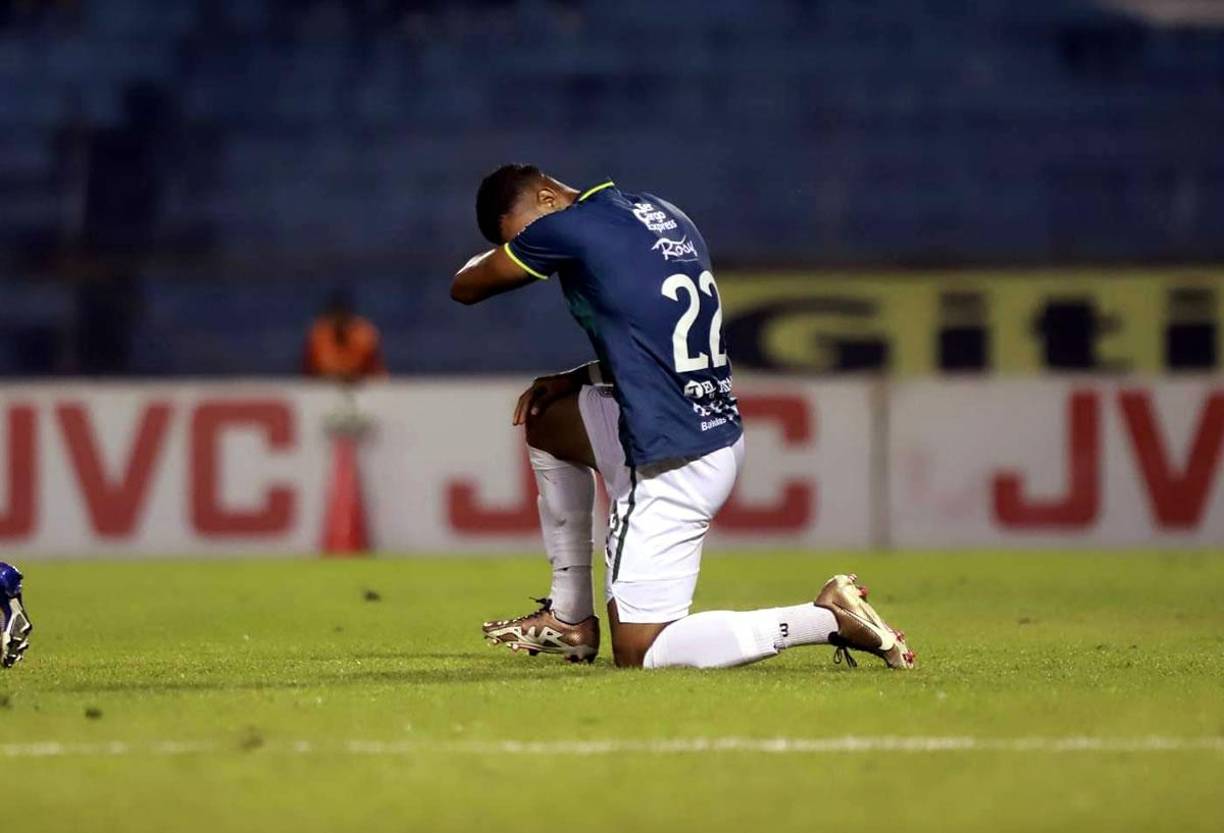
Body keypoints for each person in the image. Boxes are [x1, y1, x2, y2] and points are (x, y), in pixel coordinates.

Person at [451, 165, 915, 670]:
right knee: (547, 422)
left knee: (641, 650)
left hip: (672, 455)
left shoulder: (567, 227)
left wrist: (504, 253)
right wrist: (577, 377)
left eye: (524, 234)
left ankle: (825, 617)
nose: (535, 249)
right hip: (702, 425)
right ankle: (569, 619)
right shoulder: (661, 215)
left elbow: (467, 286)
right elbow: (657, 336)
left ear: (545, 197)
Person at [303, 290, 387, 382]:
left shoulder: (365, 336)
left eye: (344, 316)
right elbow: (308, 373)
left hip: (362, 389)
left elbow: (377, 374)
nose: (340, 321)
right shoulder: (318, 335)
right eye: (336, 316)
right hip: (323, 388)